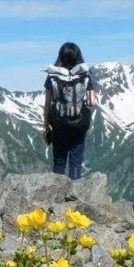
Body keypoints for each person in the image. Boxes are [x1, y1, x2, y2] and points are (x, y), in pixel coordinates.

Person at [42, 42, 96, 180]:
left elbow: (47, 104)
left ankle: (56, 193)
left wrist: (46, 126)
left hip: (58, 122)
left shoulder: (52, 76)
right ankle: (74, 193)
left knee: (59, 159)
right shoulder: (84, 75)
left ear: (60, 56)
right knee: (76, 160)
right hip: (78, 122)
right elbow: (91, 101)